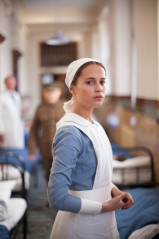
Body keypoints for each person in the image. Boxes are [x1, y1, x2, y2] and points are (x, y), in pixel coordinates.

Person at [47, 58, 134, 239]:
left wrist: (115, 191)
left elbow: (94, 176)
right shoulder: (71, 133)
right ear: (72, 88)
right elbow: (56, 198)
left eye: (102, 82)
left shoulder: (95, 125)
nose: (99, 88)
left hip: (104, 221)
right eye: (89, 82)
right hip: (79, 227)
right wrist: (106, 207)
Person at [28, 83, 64, 181]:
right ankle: (50, 196)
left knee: (63, 176)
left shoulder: (66, 107)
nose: (51, 95)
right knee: (48, 176)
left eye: (54, 92)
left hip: (64, 148)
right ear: (44, 94)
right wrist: (31, 150)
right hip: (46, 149)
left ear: (59, 93)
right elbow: (34, 130)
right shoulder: (40, 108)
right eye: (48, 93)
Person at [0, 76, 24, 149]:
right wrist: (1, 131)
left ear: (15, 83)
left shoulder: (17, 95)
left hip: (18, 127)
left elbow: (17, 112)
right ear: (5, 84)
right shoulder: (2, 97)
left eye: (12, 83)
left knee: (18, 149)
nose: (10, 85)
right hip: (7, 129)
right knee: (8, 150)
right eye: (8, 83)